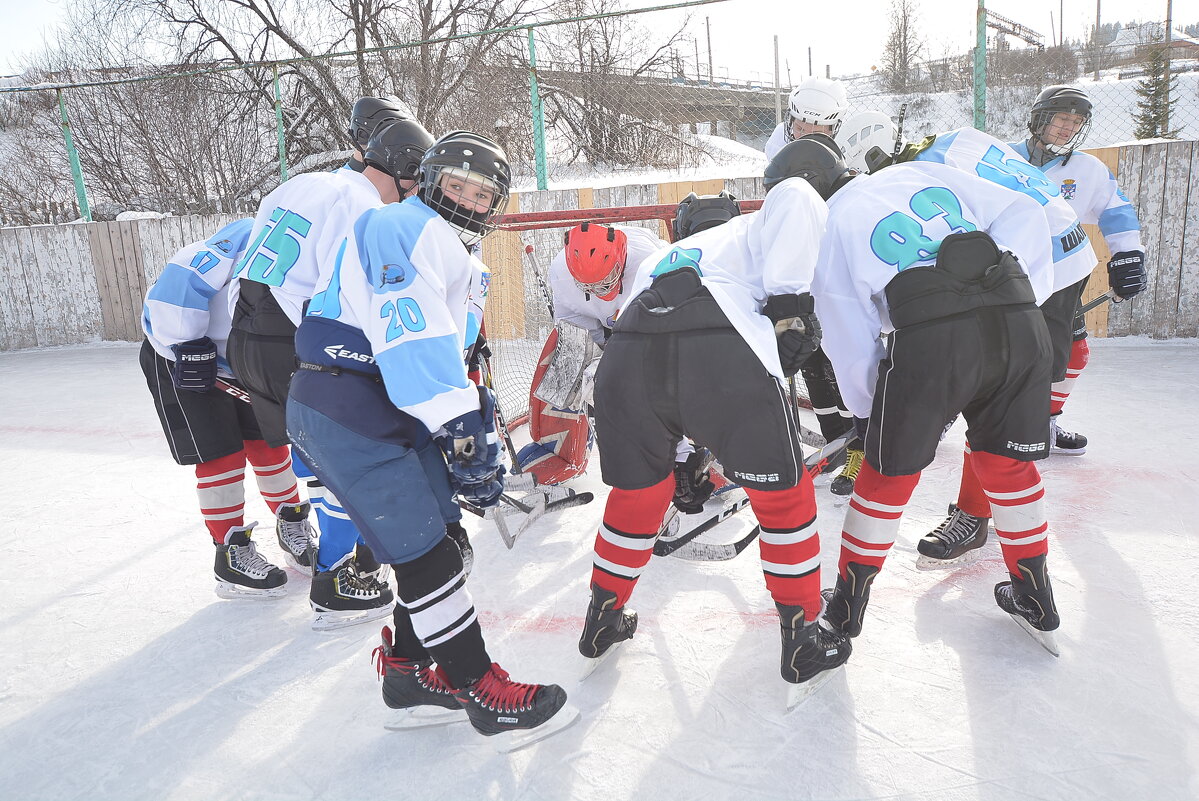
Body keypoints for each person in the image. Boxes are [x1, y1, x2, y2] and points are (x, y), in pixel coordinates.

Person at [287, 130, 576, 746]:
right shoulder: (401, 225)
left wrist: (470, 402)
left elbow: (441, 348)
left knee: (447, 542)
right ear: (430, 181)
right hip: (351, 402)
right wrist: (463, 428)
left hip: (387, 403)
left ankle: (409, 672)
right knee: (428, 556)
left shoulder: (456, 254)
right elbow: (410, 341)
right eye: (455, 186)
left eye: (481, 193)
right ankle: (481, 691)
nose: (467, 200)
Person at [575, 155, 852, 702]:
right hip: (718, 342)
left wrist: (685, 453)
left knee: (639, 497)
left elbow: (660, 358)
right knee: (784, 500)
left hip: (628, 352)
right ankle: (801, 640)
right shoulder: (770, 218)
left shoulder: (673, 254)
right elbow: (796, 190)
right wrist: (792, 306)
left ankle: (601, 618)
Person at [784, 137, 1062, 654]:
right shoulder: (913, 173)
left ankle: (845, 607)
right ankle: (1037, 596)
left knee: (886, 476)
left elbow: (848, 335)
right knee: (1008, 467)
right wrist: (1020, 296)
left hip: (933, 337)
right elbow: (1024, 209)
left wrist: (871, 409)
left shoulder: (828, 229)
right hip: (1018, 315)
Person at [835, 113, 1110, 569]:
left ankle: (973, 513)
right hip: (1068, 249)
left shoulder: (913, 176)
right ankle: (996, 482)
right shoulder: (953, 139)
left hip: (1031, 262)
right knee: (1005, 378)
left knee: (991, 389)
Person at [227, 111, 435, 629]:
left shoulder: (303, 182)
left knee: (312, 452)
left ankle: (335, 554)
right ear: (405, 170)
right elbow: (342, 288)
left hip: (246, 330)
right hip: (290, 336)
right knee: (349, 452)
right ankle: (338, 575)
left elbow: (258, 255)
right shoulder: (361, 205)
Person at [140, 219, 310, 598]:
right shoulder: (250, 239)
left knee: (270, 442)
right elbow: (178, 283)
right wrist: (185, 343)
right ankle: (229, 554)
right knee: (222, 455)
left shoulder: (331, 252)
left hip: (246, 359)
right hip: (181, 355)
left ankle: (292, 524)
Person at [1009, 85, 1148, 454]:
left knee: (1073, 354)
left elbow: (1115, 210)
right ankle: (944, 416)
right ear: (1040, 118)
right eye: (1061, 119)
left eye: (1076, 122)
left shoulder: (1087, 169)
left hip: (1063, 278)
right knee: (981, 352)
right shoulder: (1000, 159)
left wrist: (1128, 254)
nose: (1068, 128)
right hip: (1004, 277)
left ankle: (1046, 424)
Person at [515, 220, 668, 486]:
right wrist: (593, 359)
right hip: (604, 321)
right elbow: (573, 324)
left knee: (655, 385)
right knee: (569, 367)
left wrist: (617, 364)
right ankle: (561, 449)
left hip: (650, 324)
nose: (599, 291)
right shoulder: (561, 271)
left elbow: (659, 332)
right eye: (589, 287)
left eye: (606, 282)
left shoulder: (652, 264)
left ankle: (685, 449)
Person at [763, 76, 849, 161]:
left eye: (816, 133)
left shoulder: (845, 150)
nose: (805, 138)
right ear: (791, 123)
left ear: (832, 131)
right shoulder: (779, 143)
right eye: (800, 129)